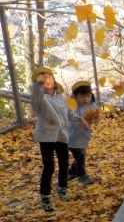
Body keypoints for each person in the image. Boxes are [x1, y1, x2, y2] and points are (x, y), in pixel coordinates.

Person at [31, 67, 88, 211]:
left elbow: (68, 113)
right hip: (46, 137)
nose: (45, 78)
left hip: (61, 135)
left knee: (64, 163)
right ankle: (45, 196)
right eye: (41, 77)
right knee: (49, 166)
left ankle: (62, 187)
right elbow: (35, 101)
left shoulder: (61, 98)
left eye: (48, 75)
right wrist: (38, 85)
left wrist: (79, 118)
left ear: (54, 80)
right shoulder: (40, 99)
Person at [68, 80, 98, 185]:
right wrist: (81, 119)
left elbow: (96, 117)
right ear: (75, 96)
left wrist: (95, 116)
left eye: (88, 96)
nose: (85, 99)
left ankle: (71, 171)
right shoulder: (71, 107)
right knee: (80, 156)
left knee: (81, 155)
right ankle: (82, 175)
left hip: (83, 136)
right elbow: (70, 122)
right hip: (71, 136)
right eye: (82, 96)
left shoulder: (90, 104)